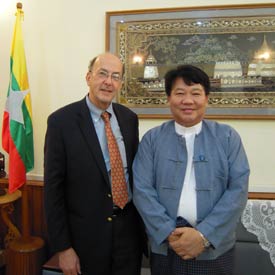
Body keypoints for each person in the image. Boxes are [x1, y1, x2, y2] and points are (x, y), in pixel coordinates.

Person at [133, 64, 250, 275]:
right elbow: (142, 190)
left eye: (195, 93)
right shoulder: (152, 139)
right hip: (167, 246)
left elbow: (238, 190)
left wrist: (203, 236)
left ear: (206, 98)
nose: (188, 101)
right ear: (168, 98)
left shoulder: (227, 137)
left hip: (214, 248)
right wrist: (169, 233)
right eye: (179, 93)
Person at [44, 53, 146, 275]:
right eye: (102, 74)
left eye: (115, 76)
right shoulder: (61, 122)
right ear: (88, 77)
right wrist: (63, 248)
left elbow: (135, 174)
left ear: (120, 83)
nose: (108, 82)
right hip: (85, 239)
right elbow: (53, 190)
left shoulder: (129, 119)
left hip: (128, 233)